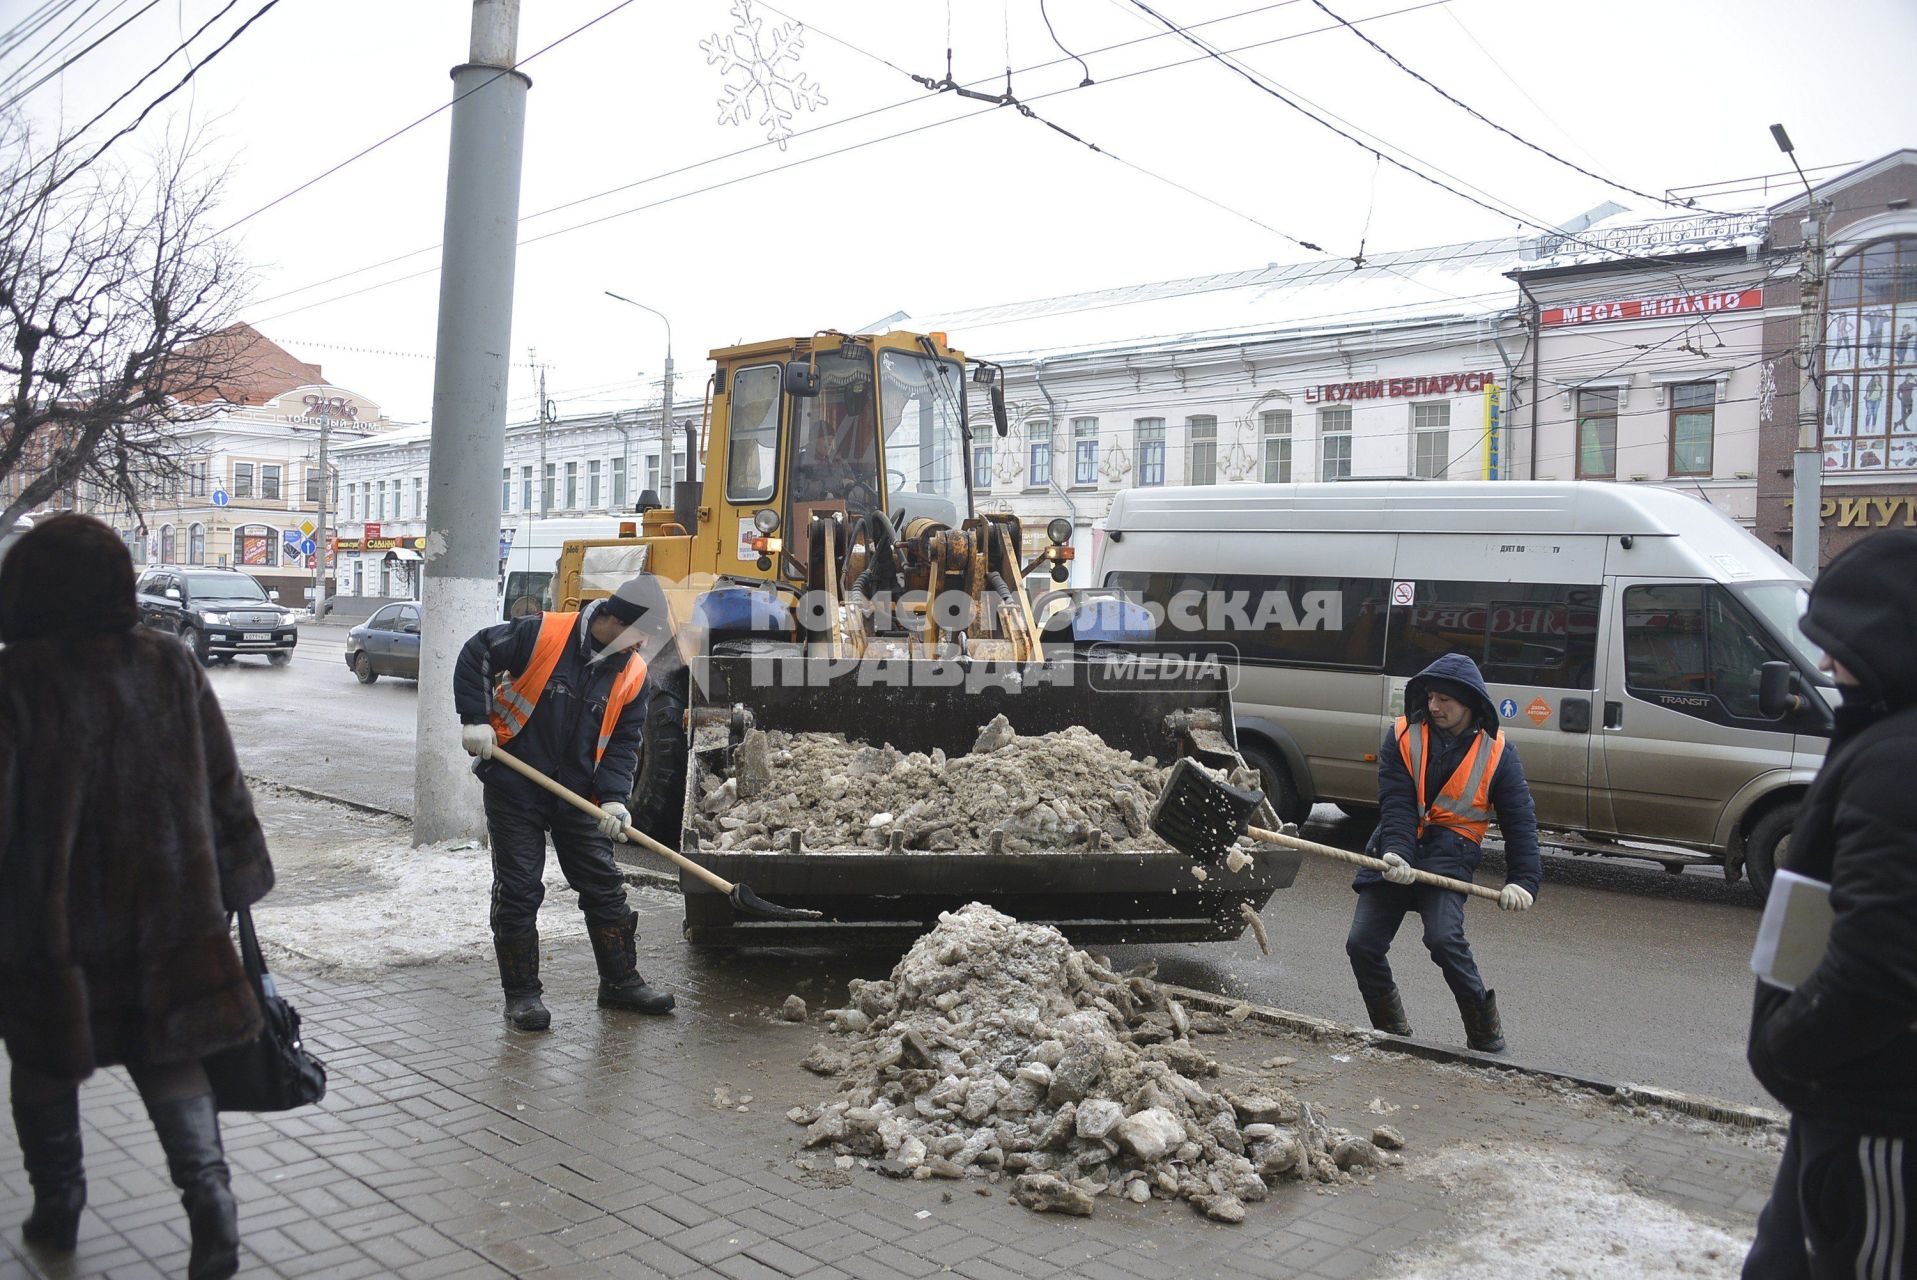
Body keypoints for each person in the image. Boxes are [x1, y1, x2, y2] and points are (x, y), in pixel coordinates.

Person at [0, 515, 272, 1280]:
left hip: (50, 925)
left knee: (45, 1062)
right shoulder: (168, 661)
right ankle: (210, 1200)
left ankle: (58, 1205)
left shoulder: (19, 675)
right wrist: (238, 874)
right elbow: (224, 779)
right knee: (172, 1056)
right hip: (171, 912)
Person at [1743, 529, 1917, 1280]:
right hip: (1844, 1101)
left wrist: (1793, 1047)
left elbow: (1881, 959)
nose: (1818, 662)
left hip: (1873, 1112)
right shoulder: (1885, 740)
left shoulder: (1898, 759)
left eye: (1834, 639)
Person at [454, 576, 675, 1030]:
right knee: (519, 890)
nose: (643, 645)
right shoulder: (543, 632)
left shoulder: (633, 673)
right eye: (640, 633)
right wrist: (475, 718)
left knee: (604, 886)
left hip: (578, 795)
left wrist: (614, 800)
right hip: (516, 784)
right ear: (613, 619)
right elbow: (476, 651)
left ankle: (620, 982)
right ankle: (522, 997)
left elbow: (623, 744)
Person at [1346, 653, 1541, 1053]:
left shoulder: (1499, 752)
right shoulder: (1402, 734)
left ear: (1470, 703)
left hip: (1449, 855)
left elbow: (1521, 822)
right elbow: (1396, 802)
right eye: (1431, 697)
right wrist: (1397, 853)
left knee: (1443, 939)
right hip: (1395, 849)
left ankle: (1486, 1037)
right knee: (1362, 943)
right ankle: (1392, 1032)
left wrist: (1523, 881)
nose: (1434, 707)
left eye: (1445, 700)